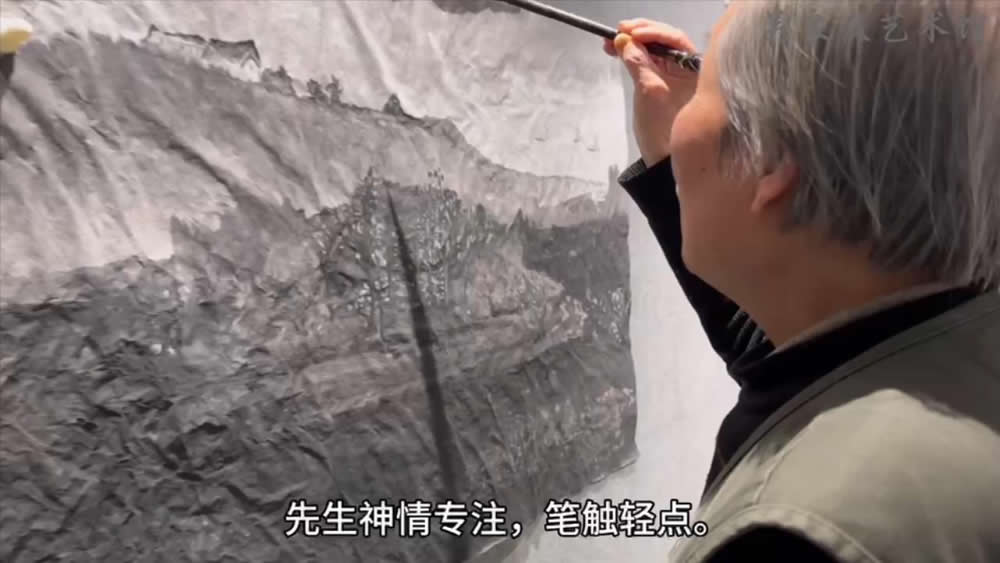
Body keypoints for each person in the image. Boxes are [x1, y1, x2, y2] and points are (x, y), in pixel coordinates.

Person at [602, 2, 1000, 562]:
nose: (683, 111)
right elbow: (795, 361)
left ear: (770, 160)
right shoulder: (951, 335)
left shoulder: (787, 539)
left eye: (705, 80)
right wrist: (676, 161)